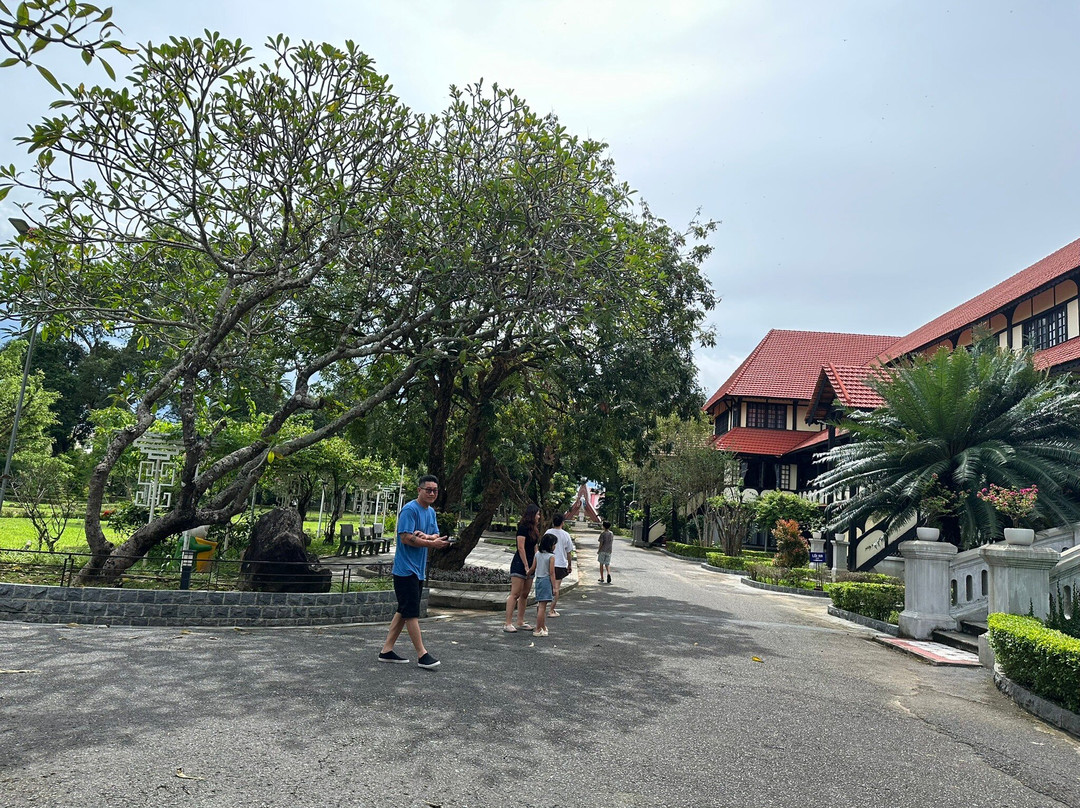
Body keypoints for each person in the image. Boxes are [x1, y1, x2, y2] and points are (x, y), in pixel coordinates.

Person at [379, 475, 449, 669]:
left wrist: (427, 536)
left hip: (418, 571)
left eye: (435, 490)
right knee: (411, 613)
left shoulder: (431, 512)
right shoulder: (410, 510)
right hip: (405, 570)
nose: (432, 493)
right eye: (428, 489)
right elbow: (405, 538)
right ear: (419, 490)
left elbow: (434, 533)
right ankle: (422, 654)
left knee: (403, 610)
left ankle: (386, 650)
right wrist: (430, 543)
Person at [504, 503, 540, 632]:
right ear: (532, 515)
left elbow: (535, 547)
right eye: (537, 514)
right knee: (515, 593)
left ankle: (520, 621)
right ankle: (507, 623)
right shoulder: (522, 528)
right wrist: (525, 565)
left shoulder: (534, 530)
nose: (539, 517)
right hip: (520, 564)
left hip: (531, 564)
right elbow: (521, 547)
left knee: (525, 594)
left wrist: (537, 562)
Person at [547, 513, 575, 617]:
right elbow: (569, 552)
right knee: (556, 587)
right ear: (562, 523)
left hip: (548, 562)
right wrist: (569, 565)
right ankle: (551, 610)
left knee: (547, 585)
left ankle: (541, 607)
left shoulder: (548, 532)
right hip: (560, 564)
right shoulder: (566, 535)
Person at [532, 532, 557, 637]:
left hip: (538, 580)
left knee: (540, 606)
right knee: (542, 607)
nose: (555, 546)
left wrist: (527, 573)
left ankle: (542, 626)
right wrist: (555, 587)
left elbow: (533, 567)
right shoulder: (551, 557)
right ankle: (538, 629)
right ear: (550, 545)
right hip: (546, 581)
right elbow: (552, 572)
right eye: (554, 544)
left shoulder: (538, 554)